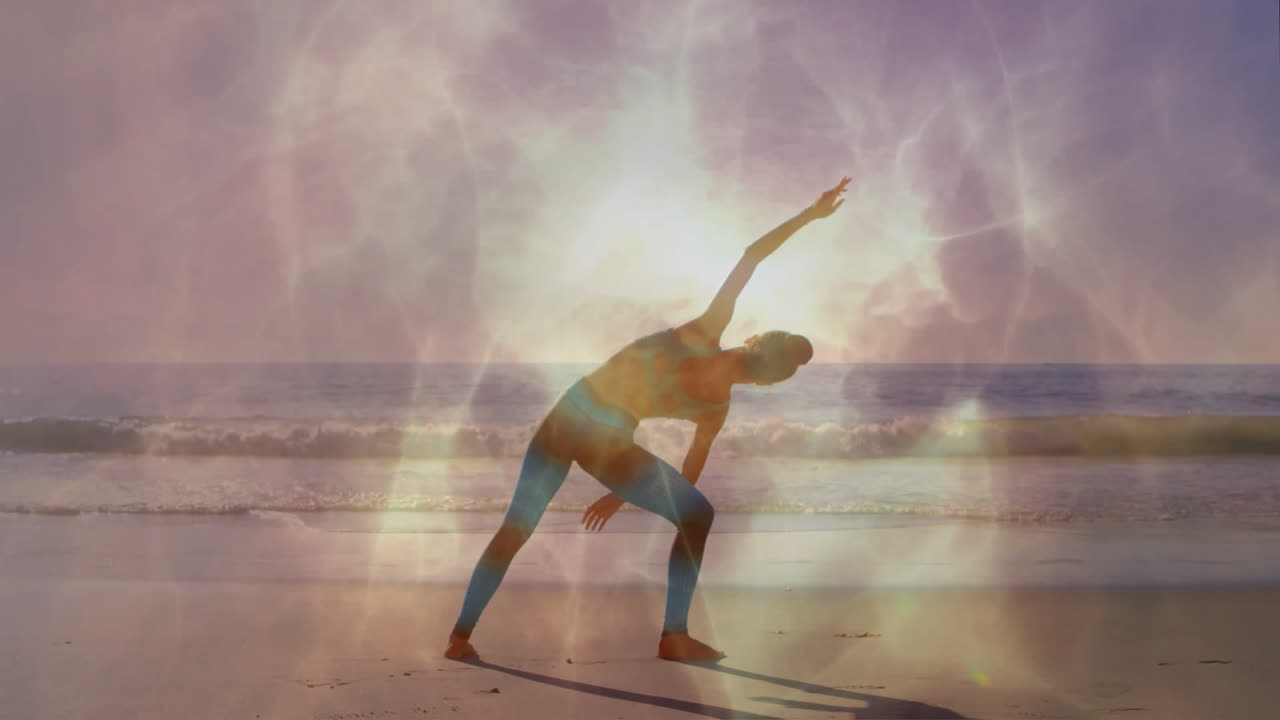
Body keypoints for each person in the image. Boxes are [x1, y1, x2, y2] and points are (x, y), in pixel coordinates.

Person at [445, 177, 850, 662]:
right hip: (603, 444)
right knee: (697, 515)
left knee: (518, 527)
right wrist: (619, 495)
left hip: (573, 421)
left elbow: (751, 257)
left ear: (753, 342)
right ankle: (673, 636)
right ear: (769, 379)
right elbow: (690, 476)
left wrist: (811, 212)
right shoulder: (715, 398)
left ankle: (459, 637)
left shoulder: (708, 338)